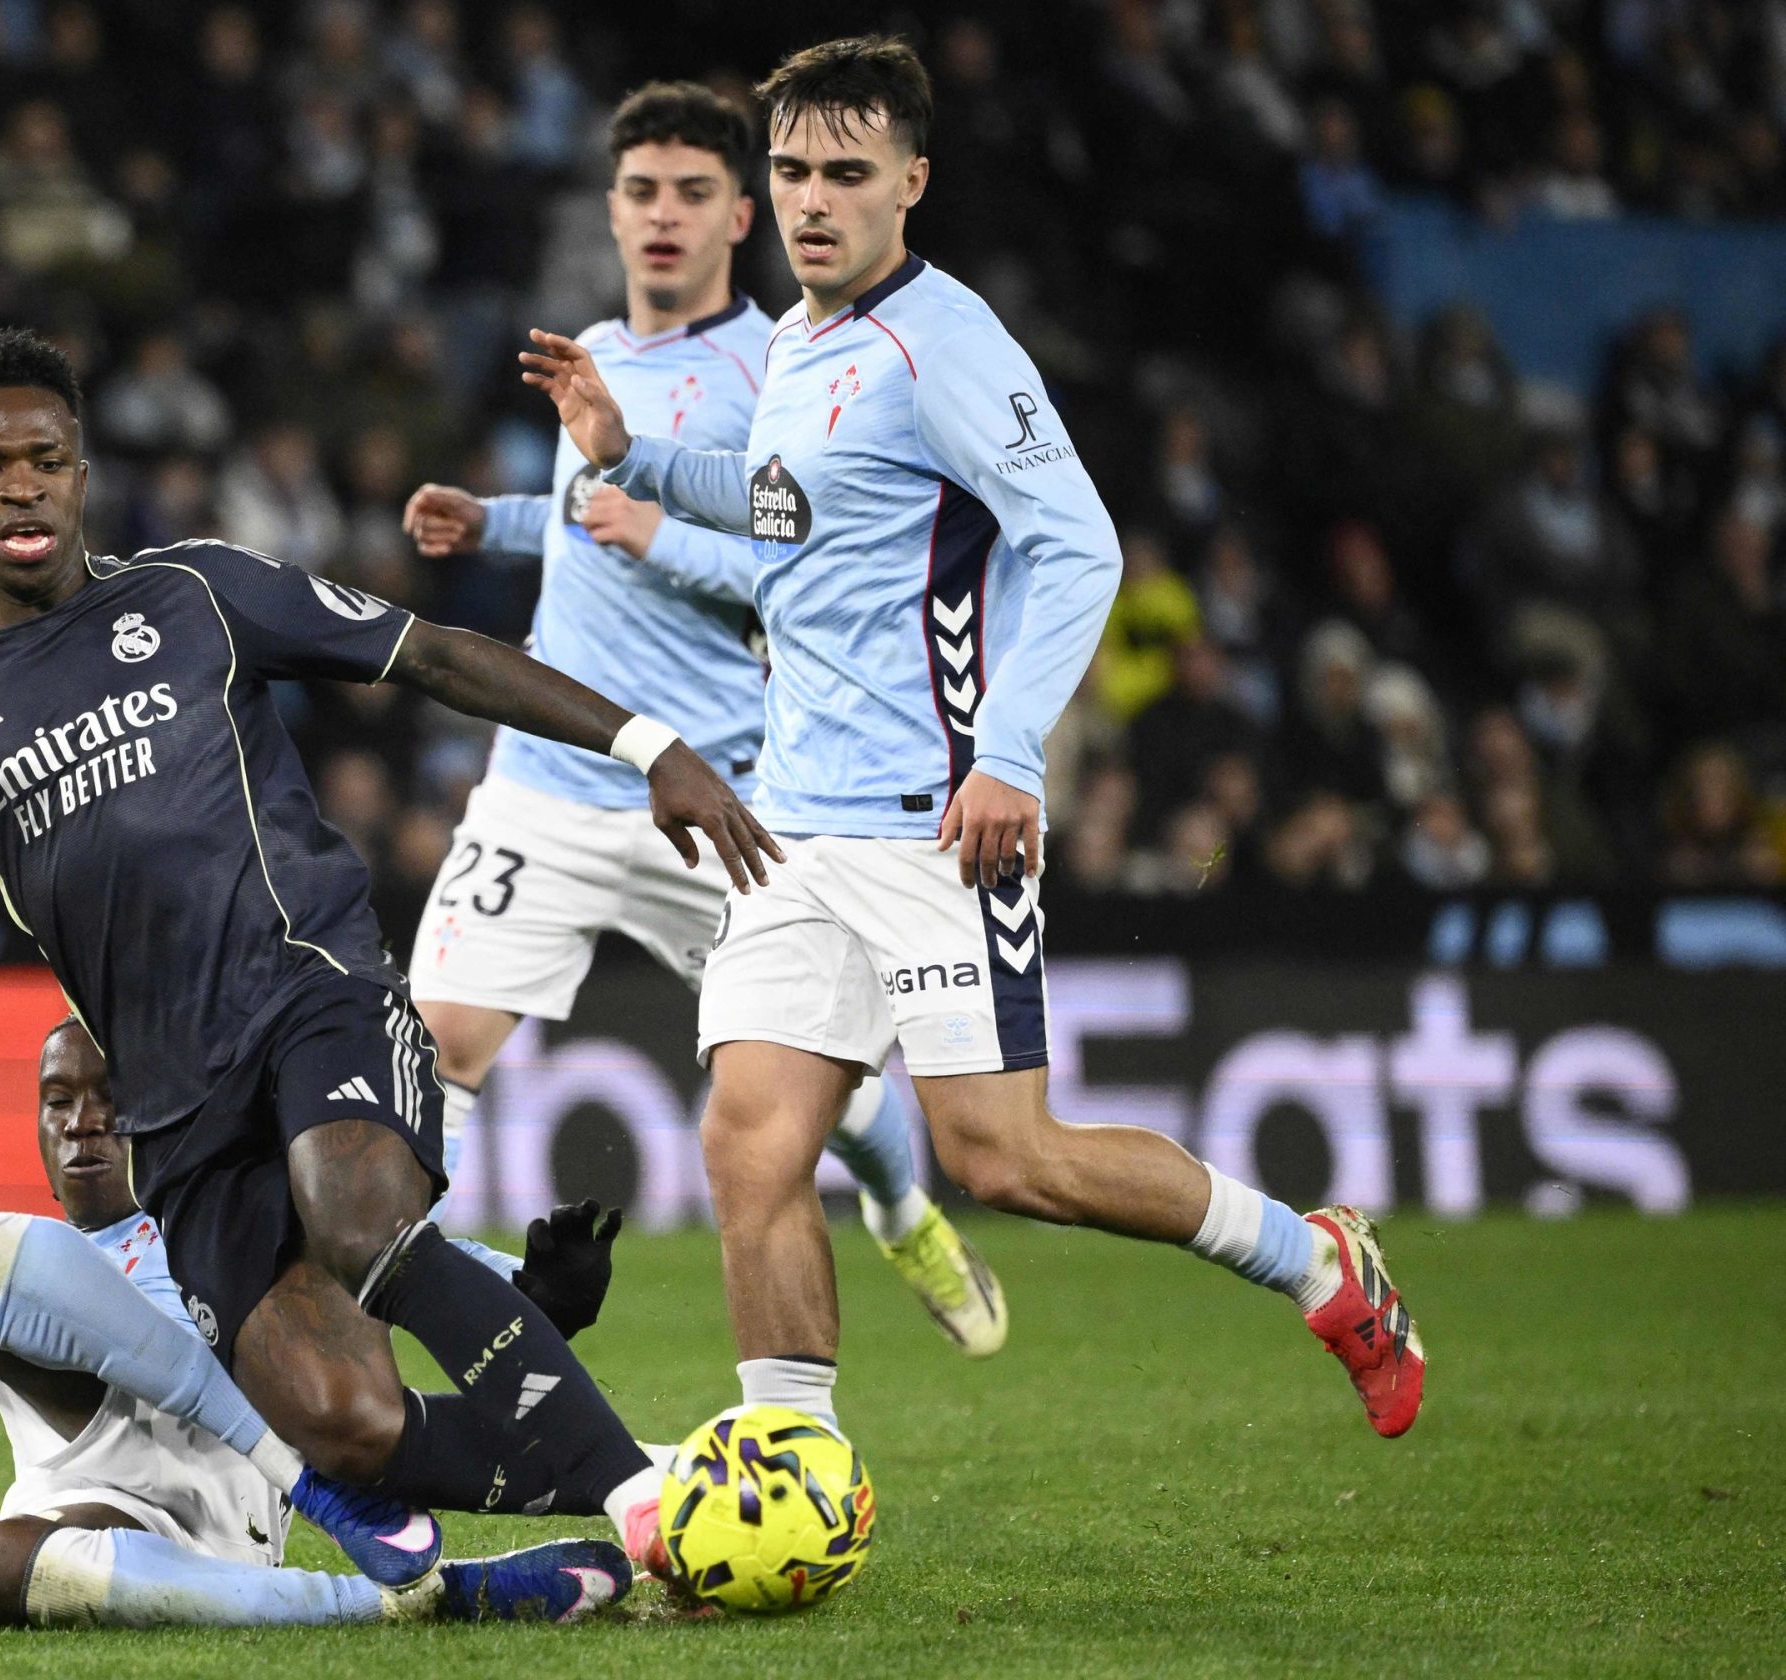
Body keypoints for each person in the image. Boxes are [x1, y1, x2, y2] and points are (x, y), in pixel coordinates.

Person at [517, 36, 1426, 1476]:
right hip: (788, 828)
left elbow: (1080, 547)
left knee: (1008, 1164)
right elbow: (783, 511)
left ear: (912, 184)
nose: (812, 200)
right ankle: (793, 1468)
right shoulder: (805, 340)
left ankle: (1315, 1264)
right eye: (795, 169)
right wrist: (627, 452)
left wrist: (1011, 756)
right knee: (751, 1147)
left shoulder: (945, 346)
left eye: (846, 174)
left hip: (932, 822)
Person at [0, 328, 779, 1587]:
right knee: (342, 1419)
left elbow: (427, 653)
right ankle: (664, 1471)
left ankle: (651, 1509)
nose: (22, 485)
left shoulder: (195, 592)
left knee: (361, 1218)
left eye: (47, 459)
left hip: (312, 992)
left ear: (83, 473)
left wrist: (647, 746)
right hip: (174, 1099)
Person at [400, 81, 1004, 1360]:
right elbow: (586, 525)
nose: (660, 218)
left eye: (689, 194)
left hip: (716, 795)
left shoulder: (777, 369)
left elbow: (810, 568)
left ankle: (904, 1207)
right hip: (551, 783)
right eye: (638, 193)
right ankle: (455, 1294)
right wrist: (497, 520)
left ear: (741, 213)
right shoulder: (593, 355)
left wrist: (668, 535)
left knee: (819, 1091)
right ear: (610, 212)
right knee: (436, 1043)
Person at [0, 1020, 631, 1629]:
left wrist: (545, 1300)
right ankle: (415, 1597)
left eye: (110, 1100)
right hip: (105, 1514)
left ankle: (674, 1494)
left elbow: (457, 1295)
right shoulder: (27, 1272)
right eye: (58, 1102)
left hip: (229, 1530)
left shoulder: (256, 1221)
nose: (83, 1124)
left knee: (329, 1258)